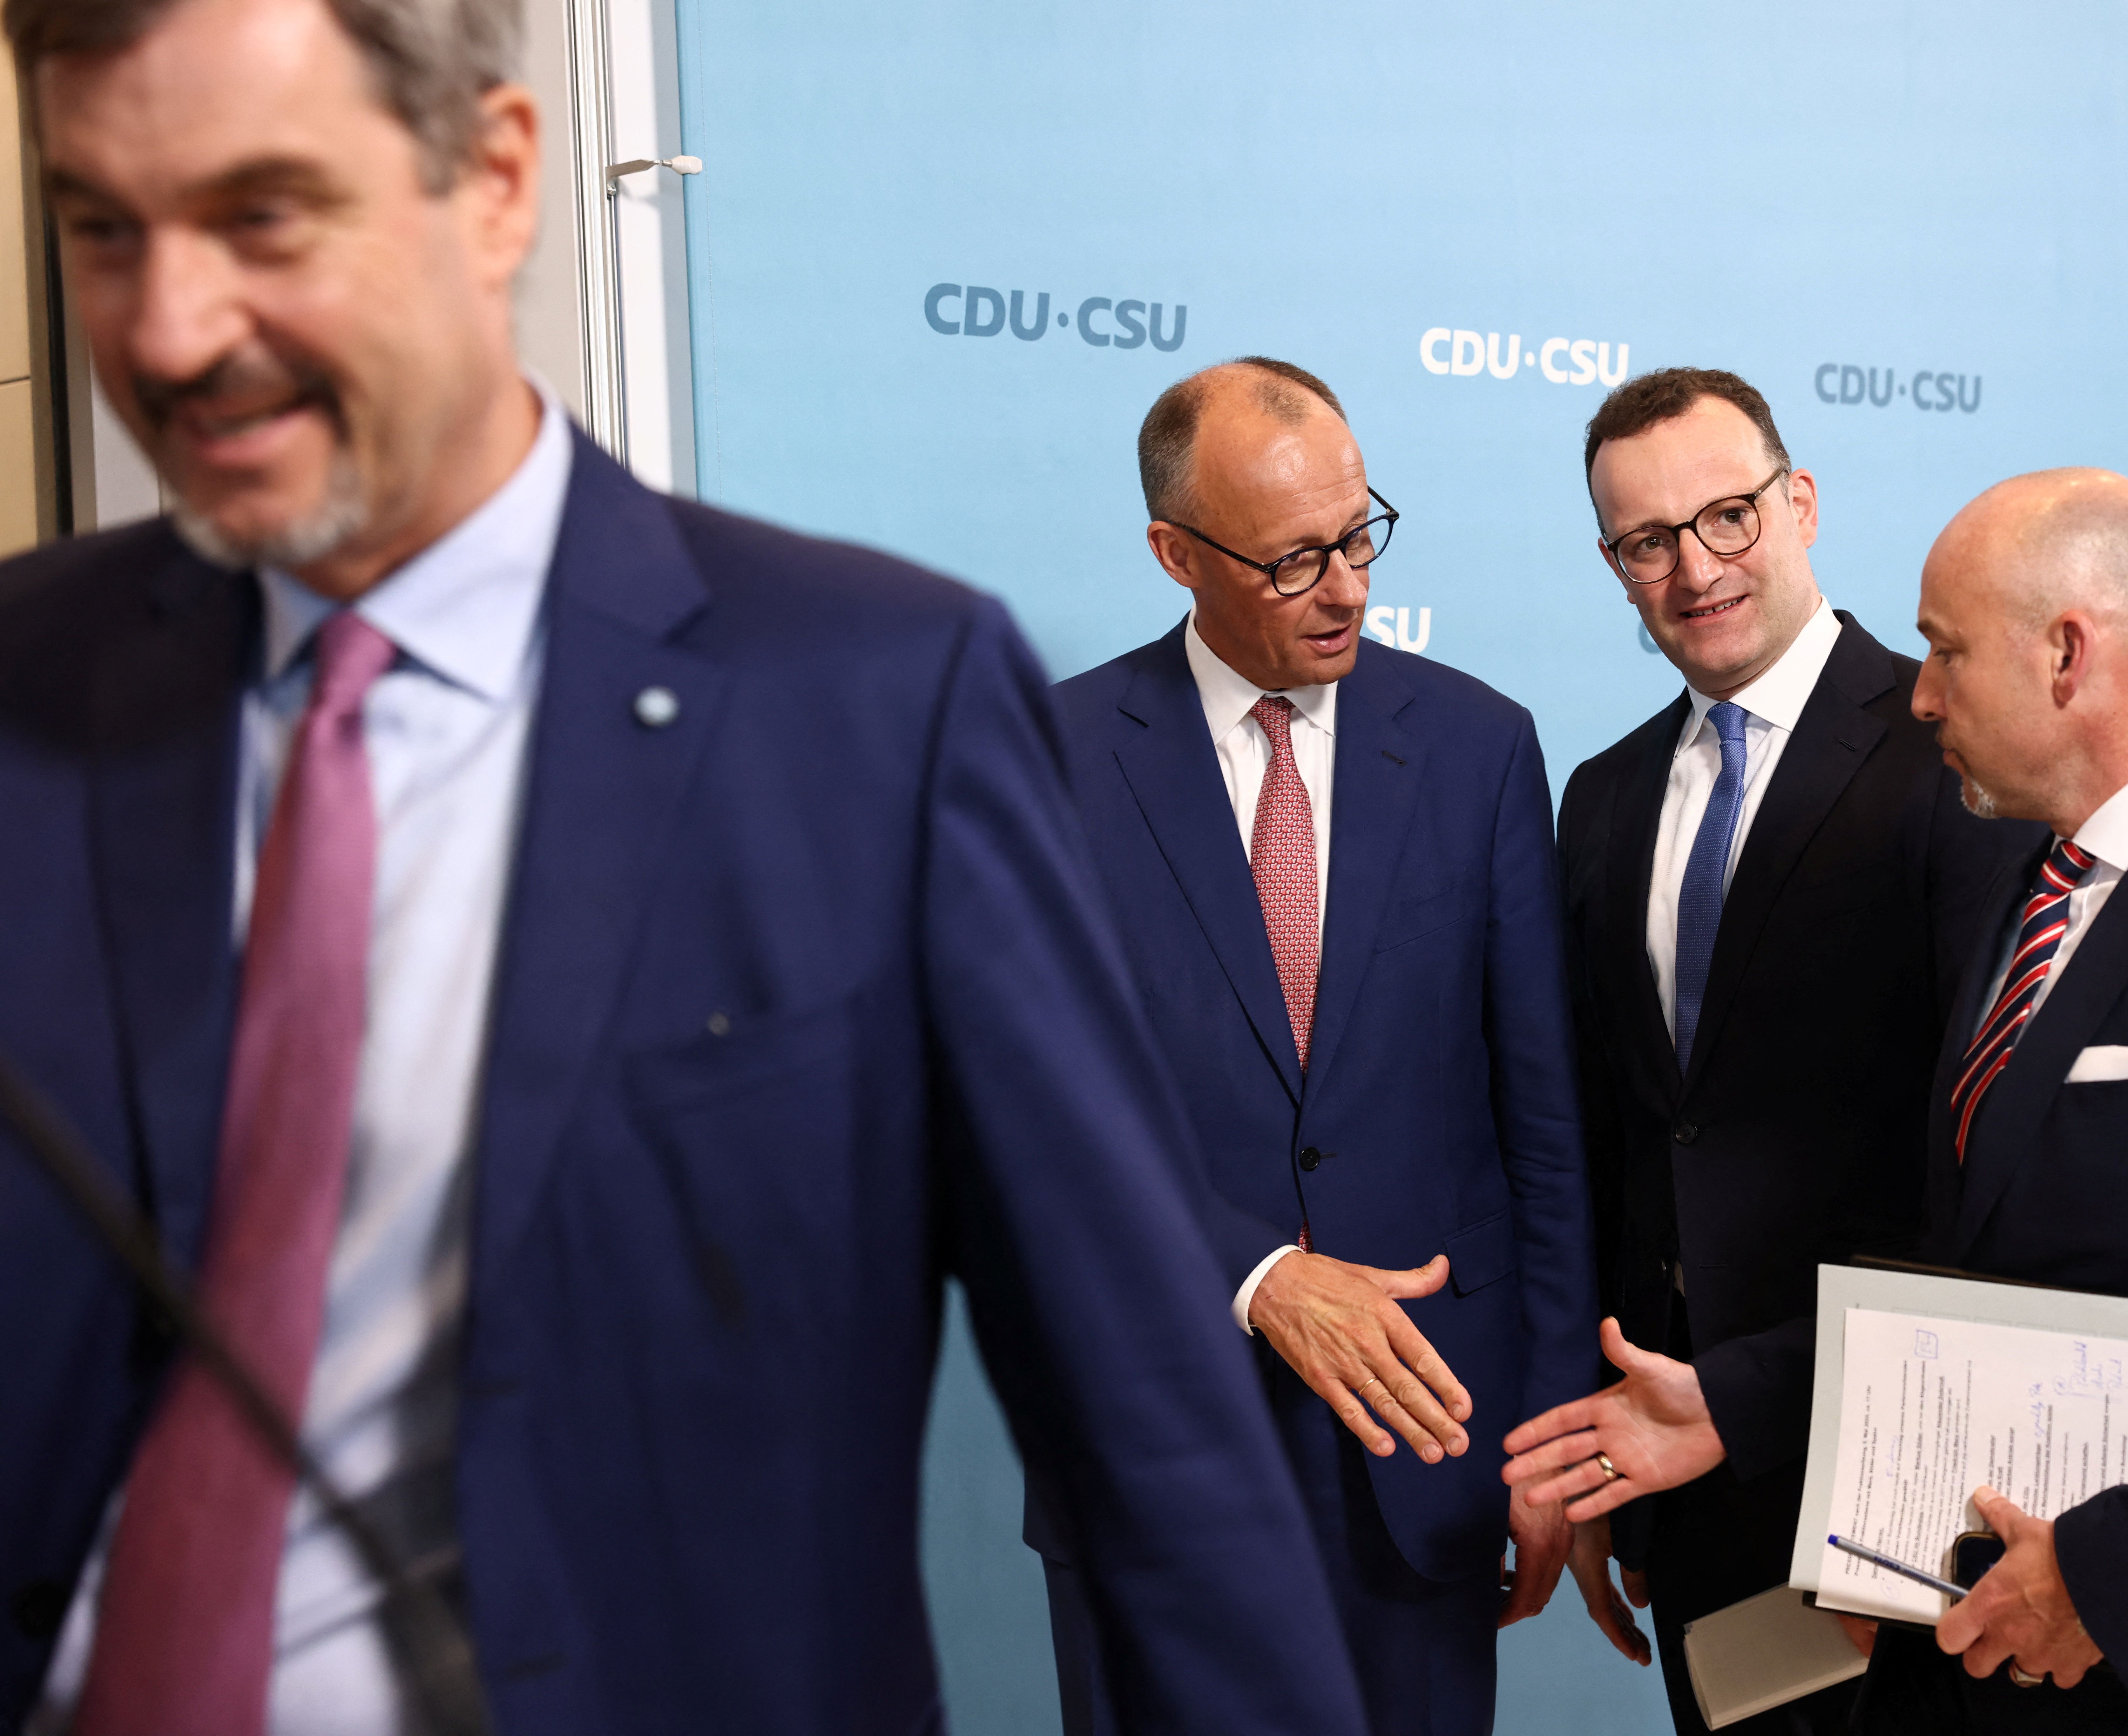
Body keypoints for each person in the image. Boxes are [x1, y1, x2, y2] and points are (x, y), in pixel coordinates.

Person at [0, 2, 1367, 1732]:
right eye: (104, 227)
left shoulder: (879, 704)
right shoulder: (20, 693)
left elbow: (1152, 1428)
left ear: (496, 177)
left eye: (264, 217)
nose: (174, 328)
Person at [1508, 468, 2128, 1733]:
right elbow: (2004, 1285)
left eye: (1941, 651)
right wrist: (1743, 1408)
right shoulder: (2033, 894)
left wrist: (2100, 1578)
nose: (1915, 696)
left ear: (2064, 655)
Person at [1035, 358, 1599, 1736]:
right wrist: (1253, 1271)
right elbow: (1031, 1122)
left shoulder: (1479, 748)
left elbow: (1541, 1134)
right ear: (1176, 554)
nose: (1346, 585)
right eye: (1292, 561)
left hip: (1427, 1450)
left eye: (1359, 534)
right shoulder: (1046, 759)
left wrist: (1550, 1445)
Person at [1540, 368, 2024, 1733]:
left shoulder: (1952, 752)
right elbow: (1611, 1130)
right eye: (1647, 541)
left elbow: (1995, 1154)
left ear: (1797, 503)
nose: (1693, 568)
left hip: (1907, 1449)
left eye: (1727, 516)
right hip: (1676, 1461)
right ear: (1613, 565)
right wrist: (1594, 1447)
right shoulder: (1603, 793)